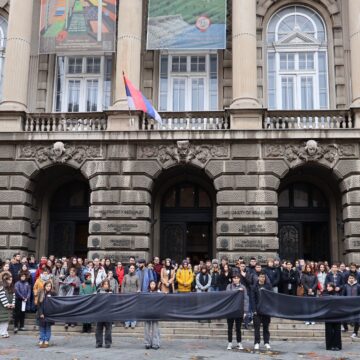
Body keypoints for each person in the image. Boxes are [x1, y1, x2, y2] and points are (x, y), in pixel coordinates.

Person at [250, 271, 273, 351]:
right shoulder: (254, 287)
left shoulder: (268, 286)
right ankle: (257, 342)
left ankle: (266, 342)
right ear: (258, 277)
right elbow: (252, 299)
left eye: (263, 277)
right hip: (257, 310)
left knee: (266, 327)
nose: (262, 278)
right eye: (261, 277)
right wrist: (254, 310)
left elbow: (271, 297)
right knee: (257, 327)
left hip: (266, 310)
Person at [226, 271, 248, 350]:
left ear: (239, 279)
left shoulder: (243, 287)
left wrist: (245, 311)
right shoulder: (229, 286)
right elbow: (227, 295)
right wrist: (237, 290)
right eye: (234, 278)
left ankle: (239, 343)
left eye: (237, 278)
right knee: (230, 328)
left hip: (239, 310)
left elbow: (246, 299)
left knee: (238, 328)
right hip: (230, 310)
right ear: (232, 279)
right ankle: (230, 343)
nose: (235, 279)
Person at [323, 282, 342, 351]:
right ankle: (329, 346)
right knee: (328, 331)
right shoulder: (325, 294)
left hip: (337, 315)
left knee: (337, 331)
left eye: (329, 286)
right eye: (327, 286)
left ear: (333, 287)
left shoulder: (337, 294)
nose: (327, 287)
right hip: (328, 315)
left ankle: (337, 346)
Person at [37, 281, 56, 348]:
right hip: (42, 313)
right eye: (47, 286)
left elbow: (56, 303)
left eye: (49, 286)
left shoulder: (53, 293)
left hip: (49, 314)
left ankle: (46, 340)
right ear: (45, 286)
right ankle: (42, 339)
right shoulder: (41, 293)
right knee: (42, 328)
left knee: (48, 328)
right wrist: (41, 313)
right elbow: (39, 305)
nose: (48, 287)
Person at [121, 264, 140, 328]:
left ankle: (133, 322)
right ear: (129, 269)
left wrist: (138, 291)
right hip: (126, 295)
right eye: (131, 268)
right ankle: (127, 322)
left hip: (133, 295)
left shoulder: (137, 277)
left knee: (133, 309)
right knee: (127, 308)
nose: (132, 269)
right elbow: (123, 285)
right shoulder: (125, 276)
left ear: (134, 269)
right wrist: (122, 293)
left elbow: (139, 286)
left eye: (133, 268)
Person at [95, 279, 113, 348]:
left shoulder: (111, 292)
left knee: (108, 329)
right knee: (98, 329)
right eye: (104, 284)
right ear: (102, 285)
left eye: (107, 284)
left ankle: (108, 343)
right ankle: (99, 343)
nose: (106, 285)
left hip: (108, 313)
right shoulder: (98, 292)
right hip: (99, 313)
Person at [342, 273, 360, 338]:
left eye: (352, 278)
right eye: (350, 278)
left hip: (356, 305)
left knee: (357, 319)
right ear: (348, 279)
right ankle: (345, 328)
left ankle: (355, 332)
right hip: (347, 305)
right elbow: (343, 295)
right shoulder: (345, 286)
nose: (351, 279)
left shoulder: (358, 286)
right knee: (343, 317)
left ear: (354, 279)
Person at [144, 280, 161, 350]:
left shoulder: (158, 293)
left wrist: (165, 294)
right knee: (147, 329)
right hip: (147, 313)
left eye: (154, 284)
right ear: (149, 285)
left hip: (155, 313)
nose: (152, 285)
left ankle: (155, 343)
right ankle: (147, 343)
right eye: (151, 284)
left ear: (155, 285)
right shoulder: (146, 293)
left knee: (155, 329)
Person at [0, 273, 15, 338]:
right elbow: (2, 296)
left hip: (10, 306)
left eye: (11, 280)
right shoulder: (2, 287)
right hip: (3, 307)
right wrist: (7, 304)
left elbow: (14, 296)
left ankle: (5, 331)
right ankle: (2, 332)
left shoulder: (11, 288)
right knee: (3, 320)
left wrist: (13, 304)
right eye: (9, 280)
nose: (10, 281)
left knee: (7, 320)